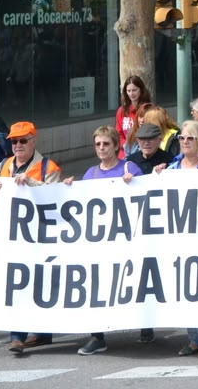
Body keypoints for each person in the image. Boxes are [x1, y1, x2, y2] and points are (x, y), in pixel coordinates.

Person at [64, 127, 143, 356]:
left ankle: (145, 326)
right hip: (100, 243)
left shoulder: (129, 168)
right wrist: (70, 189)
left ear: (116, 146)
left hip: (126, 240)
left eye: (106, 144)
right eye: (97, 144)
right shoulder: (91, 174)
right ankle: (97, 336)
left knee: (131, 282)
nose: (101, 148)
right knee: (96, 286)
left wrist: (134, 184)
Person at [0, 122, 62, 353]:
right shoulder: (3, 165)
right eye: (13, 141)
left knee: (42, 283)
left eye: (22, 140)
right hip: (13, 236)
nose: (17, 145)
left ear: (33, 140)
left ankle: (42, 333)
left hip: (41, 236)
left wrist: (31, 184)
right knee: (17, 282)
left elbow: (56, 199)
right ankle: (17, 336)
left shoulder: (48, 167)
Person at [156, 120, 198, 358]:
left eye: (190, 138)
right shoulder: (171, 170)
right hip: (178, 240)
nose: (184, 142)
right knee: (184, 291)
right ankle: (193, 339)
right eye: (182, 138)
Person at [114, 76, 150, 157]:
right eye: (128, 91)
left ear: (141, 90)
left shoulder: (148, 110)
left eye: (134, 90)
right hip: (124, 154)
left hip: (143, 153)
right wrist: (124, 145)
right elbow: (118, 134)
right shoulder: (121, 111)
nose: (131, 94)